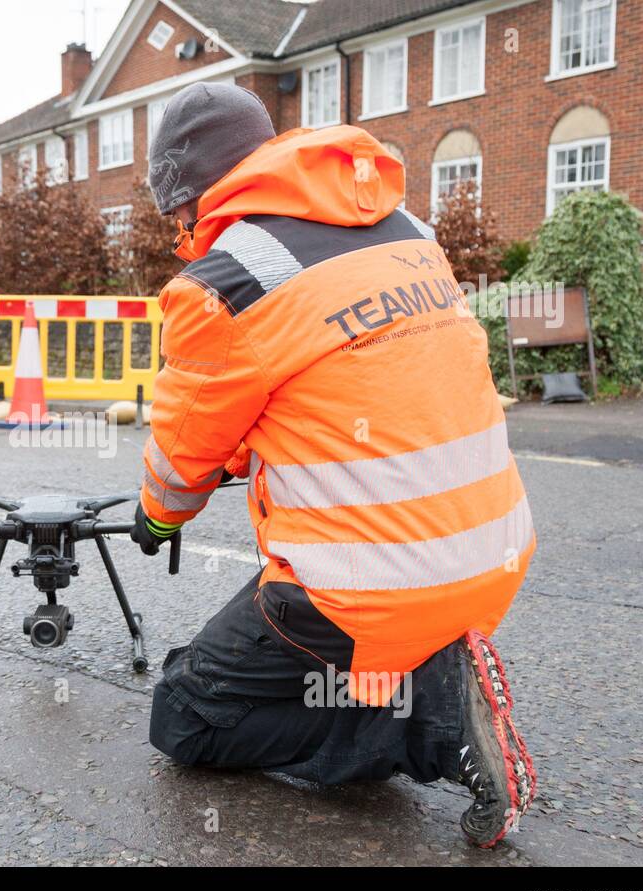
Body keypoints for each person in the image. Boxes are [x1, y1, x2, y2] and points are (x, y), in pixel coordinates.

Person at [131, 82, 536, 848]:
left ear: (190, 195)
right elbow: (357, 391)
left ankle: (434, 728)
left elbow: (183, 463)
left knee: (186, 713)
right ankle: (429, 669)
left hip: (363, 583)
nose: (177, 230)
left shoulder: (226, 281)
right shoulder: (404, 227)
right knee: (274, 665)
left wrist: (154, 516)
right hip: (489, 554)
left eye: (172, 213)